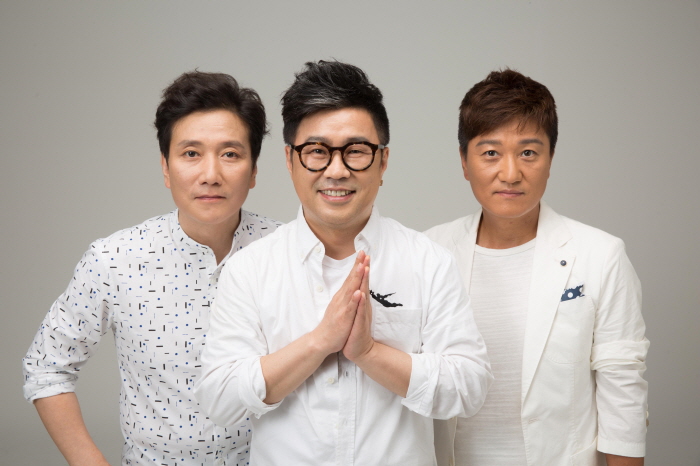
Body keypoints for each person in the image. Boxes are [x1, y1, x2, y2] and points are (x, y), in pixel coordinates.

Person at [195, 60, 493, 465]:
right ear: (290, 160)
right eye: (317, 152)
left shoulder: (428, 262)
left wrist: (369, 353)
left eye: (355, 151)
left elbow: (470, 387)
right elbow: (219, 399)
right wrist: (319, 342)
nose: (336, 170)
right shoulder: (250, 269)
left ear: (383, 161)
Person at [22, 71, 281, 466]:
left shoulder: (288, 251)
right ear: (165, 167)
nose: (211, 175)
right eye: (191, 154)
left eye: (230, 154)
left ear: (254, 169)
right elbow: (46, 367)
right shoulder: (115, 258)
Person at [426, 69, 649, 466]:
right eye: (490, 153)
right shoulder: (429, 252)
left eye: (528, 152)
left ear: (550, 159)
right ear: (464, 161)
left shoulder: (601, 254)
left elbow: (623, 393)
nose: (510, 174)